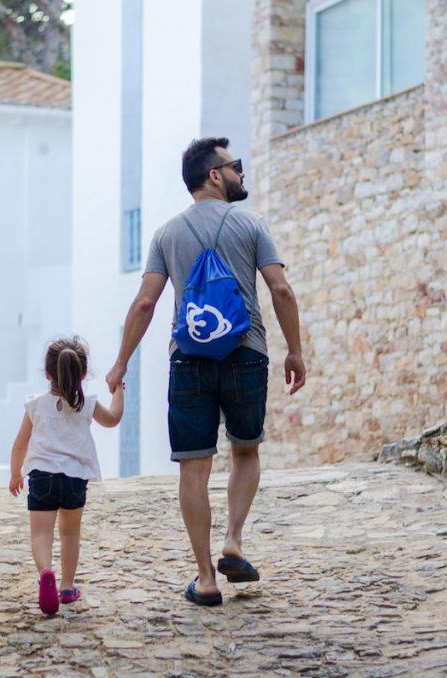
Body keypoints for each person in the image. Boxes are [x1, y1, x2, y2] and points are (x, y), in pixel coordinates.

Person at [105, 137, 306, 606]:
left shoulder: (166, 234)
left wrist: (119, 364)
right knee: (245, 450)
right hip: (246, 352)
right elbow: (281, 290)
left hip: (189, 360)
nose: (241, 173)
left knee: (193, 468)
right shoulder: (252, 225)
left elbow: (145, 303)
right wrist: (295, 350)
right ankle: (232, 541)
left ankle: (206, 578)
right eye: (234, 166)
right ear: (214, 176)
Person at [9, 337, 124, 615]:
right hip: (74, 479)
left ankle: (46, 572)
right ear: (83, 373)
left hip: (42, 478)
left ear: (48, 374)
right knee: (70, 533)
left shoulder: (35, 405)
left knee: (41, 534)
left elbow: (21, 443)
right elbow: (113, 419)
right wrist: (119, 389)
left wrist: (15, 474)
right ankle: (67, 587)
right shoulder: (88, 405)